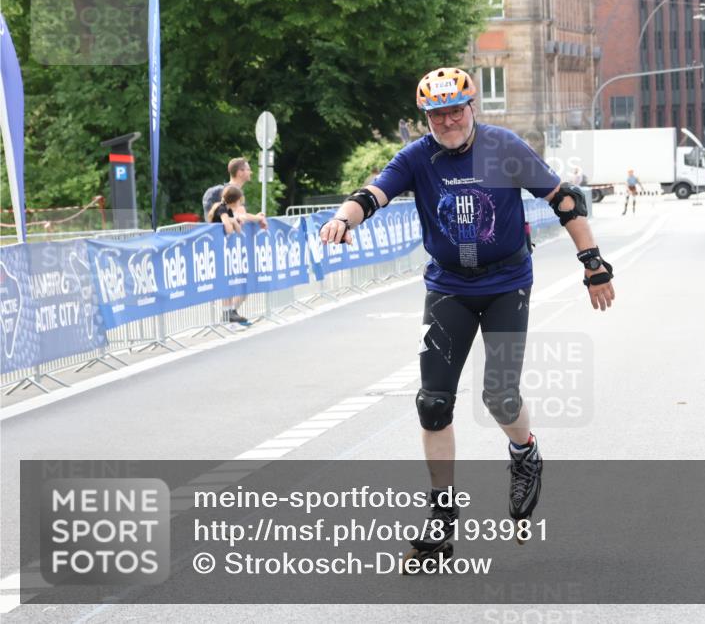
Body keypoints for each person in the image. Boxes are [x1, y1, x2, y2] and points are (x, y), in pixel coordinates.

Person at [319, 67, 615, 563]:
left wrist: (593, 265)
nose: (448, 121)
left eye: (455, 110)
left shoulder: (503, 147)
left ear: (472, 106)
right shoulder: (418, 156)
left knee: (499, 396)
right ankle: (442, 519)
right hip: (449, 287)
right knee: (433, 404)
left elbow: (565, 199)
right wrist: (340, 219)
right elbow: (373, 194)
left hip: (506, 284)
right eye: (437, 114)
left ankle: (525, 452)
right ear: (427, 118)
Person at [202, 158, 269, 326]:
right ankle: (229, 316)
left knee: (241, 283)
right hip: (224, 244)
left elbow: (241, 218)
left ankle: (231, 314)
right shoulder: (228, 192)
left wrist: (250, 220)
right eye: (248, 169)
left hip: (235, 245)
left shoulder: (236, 192)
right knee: (231, 279)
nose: (251, 172)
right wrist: (258, 218)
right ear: (240, 172)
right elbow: (240, 217)